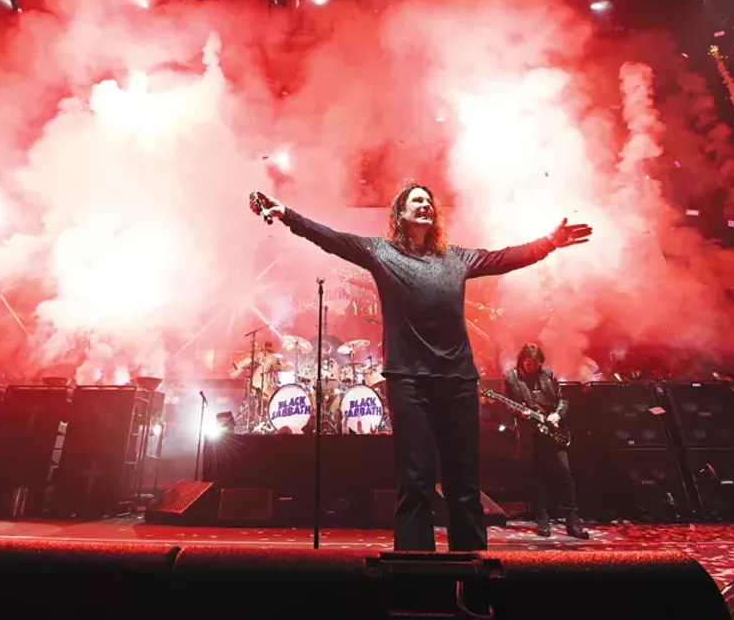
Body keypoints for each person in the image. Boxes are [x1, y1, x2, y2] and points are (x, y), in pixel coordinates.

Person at [250, 185, 592, 552]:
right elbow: (331, 238)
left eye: (429, 201)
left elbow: (503, 258)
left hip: (458, 381)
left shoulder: (456, 258)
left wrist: (549, 242)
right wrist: (287, 214)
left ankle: (473, 585)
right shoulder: (381, 252)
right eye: (417, 200)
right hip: (409, 381)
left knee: (464, 485)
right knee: (416, 483)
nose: (426, 204)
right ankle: (417, 585)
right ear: (400, 214)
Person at [502, 343, 590, 539]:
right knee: (537, 477)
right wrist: (520, 412)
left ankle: (573, 522)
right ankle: (542, 520)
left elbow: (562, 400)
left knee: (565, 475)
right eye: (528, 362)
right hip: (531, 434)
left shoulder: (547, 374)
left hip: (553, 431)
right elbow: (508, 405)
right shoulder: (512, 378)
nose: (531, 366)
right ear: (521, 361)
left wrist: (558, 415)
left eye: (535, 362)